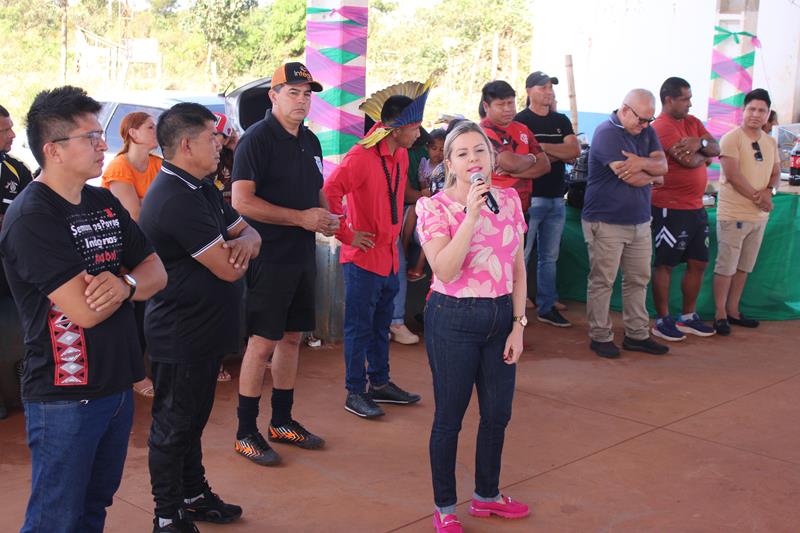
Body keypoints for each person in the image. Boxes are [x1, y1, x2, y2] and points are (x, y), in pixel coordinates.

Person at [0, 85, 167, 533]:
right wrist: (129, 282)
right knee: (56, 517)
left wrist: (124, 282)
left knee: (94, 508)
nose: (103, 145)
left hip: (115, 385)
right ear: (53, 149)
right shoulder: (32, 217)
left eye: (100, 135)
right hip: (64, 396)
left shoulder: (102, 202)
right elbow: (85, 311)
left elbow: (155, 271)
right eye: (91, 137)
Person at [139, 102, 259, 532]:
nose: (222, 142)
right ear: (187, 144)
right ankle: (166, 512)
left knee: (192, 420)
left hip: (205, 329)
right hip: (181, 332)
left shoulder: (199, 186)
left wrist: (247, 241)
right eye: (213, 136)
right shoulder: (174, 197)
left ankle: (192, 492)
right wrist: (242, 248)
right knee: (173, 424)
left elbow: (248, 230)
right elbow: (228, 265)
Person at [417, 121, 530, 532]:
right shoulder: (432, 208)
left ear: (492, 157)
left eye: (479, 151)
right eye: (462, 154)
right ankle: (445, 505)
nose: (472, 160)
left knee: (498, 413)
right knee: (450, 417)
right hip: (453, 318)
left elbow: (517, 266)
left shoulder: (510, 201)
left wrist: (518, 325)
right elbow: (445, 270)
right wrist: (471, 215)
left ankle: (486, 495)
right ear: (449, 163)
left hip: (500, 317)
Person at [231, 62, 337, 465]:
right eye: (293, 92)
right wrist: (301, 218)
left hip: (302, 253)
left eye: (308, 93)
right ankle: (245, 431)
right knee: (262, 343)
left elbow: (317, 191)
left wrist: (327, 218)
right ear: (273, 96)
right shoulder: (256, 140)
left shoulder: (310, 140)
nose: (302, 100)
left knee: (292, 338)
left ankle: (282, 420)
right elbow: (241, 202)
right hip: (267, 254)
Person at [323, 79, 430, 419]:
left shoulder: (400, 155)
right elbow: (329, 192)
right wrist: (346, 233)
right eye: (414, 128)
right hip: (362, 258)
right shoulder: (360, 156)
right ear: (396, 128)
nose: (419, 134)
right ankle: (355, 392)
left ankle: (380, 383)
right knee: (359, 326)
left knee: (382, 324)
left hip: (388, 256)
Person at [581, 89, 669, 358]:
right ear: (625, 109)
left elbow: (663, 166)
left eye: (649, 120)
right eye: (641, 119)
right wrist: (652, 172)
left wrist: (645, 166)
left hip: (640, 221)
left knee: (638, 280)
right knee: (602, 281)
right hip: (605, 221)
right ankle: (600, 335)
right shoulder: (606, 132)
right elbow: (630, 176)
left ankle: (637, 334)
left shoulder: (646, 131)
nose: (645, 125)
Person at [650, 77, 721, 341]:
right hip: (669, 206)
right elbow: (689, 162)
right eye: (685, 99)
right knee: (666, 264)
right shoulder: (662, 126)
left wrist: (700, 144)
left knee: (699, 261)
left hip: (696, 207)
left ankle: (688, 317)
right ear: (669, 100)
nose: (690, 103)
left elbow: (716, 147)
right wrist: (702, 150)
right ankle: (663, 319)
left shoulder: (692, 123)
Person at [101, 110, 163, 398]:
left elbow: (164, 206)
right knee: (134, 314)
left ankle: (146, 368)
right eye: (150, 127)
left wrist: (145, 202)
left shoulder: (158, 164)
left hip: (153, 248)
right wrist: (150, 206)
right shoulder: (119, 167)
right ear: (133, 133)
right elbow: (134, 215)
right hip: (127, 251)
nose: (156, 131)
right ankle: (136, 374)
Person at [514, 71, 581, 327]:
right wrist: (555, 153)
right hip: (529, 198)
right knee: (522, 256)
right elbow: (521, 159)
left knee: (549, 257)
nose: (549, 91)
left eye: (550, 87)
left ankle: (546, 305)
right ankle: (514, 309)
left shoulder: (561, 120)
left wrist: (541, 148)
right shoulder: (521, 121)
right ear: (529, 90)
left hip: (556, 197)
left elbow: (574, 151)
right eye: (543, 87)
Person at [712, 89, 780, 336]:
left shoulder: (770, 141)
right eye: (752, 109)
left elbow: (775, 172)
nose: (756, 114)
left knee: (744, 267)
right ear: (743, 111)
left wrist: (769, 191)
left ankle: (733, 310)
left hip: (759, 217)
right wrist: (759, 197)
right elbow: (733, 175)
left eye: (761, 110)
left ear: (768, 114)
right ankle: (720, 314)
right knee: (726, 266)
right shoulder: (731, 138)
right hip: (734, 214)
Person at [479, 80, 550, 214]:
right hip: (494, 209)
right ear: (486, 106)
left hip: (522, 209)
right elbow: (509, 162)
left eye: (510, 103)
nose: (507, 109)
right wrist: (531, 157)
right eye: (501, 104)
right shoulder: (482, 131)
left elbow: (545, 166)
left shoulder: (523, 129)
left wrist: (513, 173)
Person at [210, 112, 239, 382]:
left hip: (232, 231)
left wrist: (235, 145)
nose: (218, 142)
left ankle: (222, 358)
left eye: (221, 136)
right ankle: (214, 363)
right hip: (212, 237)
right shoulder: (201, 167)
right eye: (213, 137)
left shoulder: (230, 157)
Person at [404, 128, 445, 282]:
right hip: (425, 200)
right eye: (434, 148)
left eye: (442, 149)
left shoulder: (447, 167)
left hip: (439, 204)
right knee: (415, 211)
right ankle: (404, 248)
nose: (438, 153)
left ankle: (420, 266)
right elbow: (421, 186)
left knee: (431, 225)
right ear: (427, 148)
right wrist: (425, 193)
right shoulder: (423, 163)